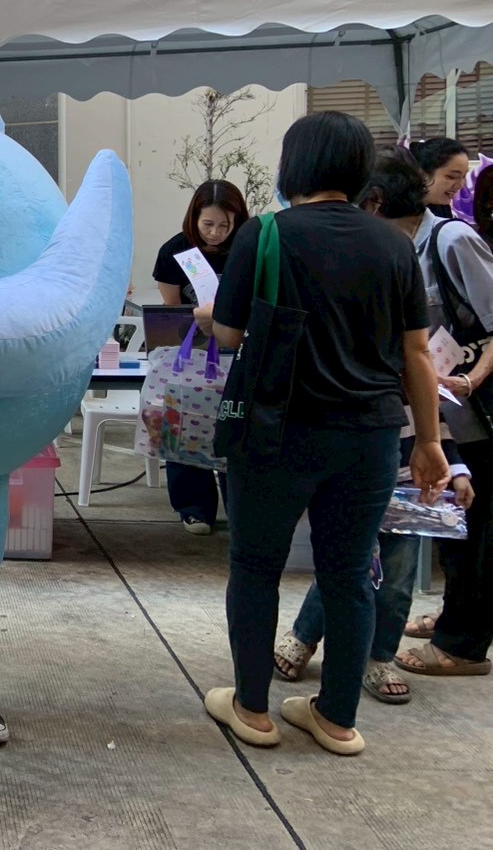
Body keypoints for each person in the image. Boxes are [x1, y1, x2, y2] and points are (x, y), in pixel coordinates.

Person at [200, 111, 448, 756]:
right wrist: (429, 443)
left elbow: (228, 333)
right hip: (370, 437)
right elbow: (416, 353)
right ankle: (337, 719)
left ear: (294, 165)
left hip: (275, 431)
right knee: (349, 574)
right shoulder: (393, 244)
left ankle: (252, 710)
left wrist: (213, 312)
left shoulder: (265, 234)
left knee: (255, 567)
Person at [274, 151, 477, 703]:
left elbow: (428, 392)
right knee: (349, 561)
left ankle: (377, 656)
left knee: (396, 568)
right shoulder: (344, 284)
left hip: (406, 461)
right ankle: (304, 636)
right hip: (357, 447)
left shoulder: (403, 292)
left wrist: (449, 457)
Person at [392, 148, 493, 681]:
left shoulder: (452, 239)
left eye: (460, 176)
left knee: (478, 528)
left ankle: (464, 644)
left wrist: (473, 379)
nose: (456, 186)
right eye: (450, 176)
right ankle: (455, 616)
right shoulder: (403, 244)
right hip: (444, 408)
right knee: (457, 522)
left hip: (475, 407)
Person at [152, 179, 249, 533]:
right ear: (194, 218)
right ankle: (193, 506)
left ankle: (239, 505)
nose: (216, 233)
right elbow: (171, 311)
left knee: (234, 428)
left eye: (225, 225)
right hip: (191, 355)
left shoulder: (247, 249)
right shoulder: (174, 252)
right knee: (186, 424)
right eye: (208, 224)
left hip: (238, 353)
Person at [411, 136, 470, 218]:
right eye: (452, 177)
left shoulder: (442, 209)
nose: (461, 185)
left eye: (464, 176)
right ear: (422, 174)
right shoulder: (398, 215)